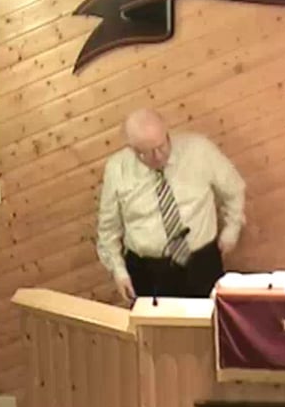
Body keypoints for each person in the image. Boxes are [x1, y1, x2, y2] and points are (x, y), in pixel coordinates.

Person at [95, 107, 246, 305]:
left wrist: (232, 228)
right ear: (132, 149)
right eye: (146, 153)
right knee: (155, 325)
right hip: (148, 271)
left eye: (162, 146)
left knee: (211, 321)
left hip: (202, 262)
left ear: (167, 133)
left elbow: (234, 189)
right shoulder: (117, 169)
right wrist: (119, 271)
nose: (158, 156)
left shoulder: (199, 150)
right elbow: (108, 229)